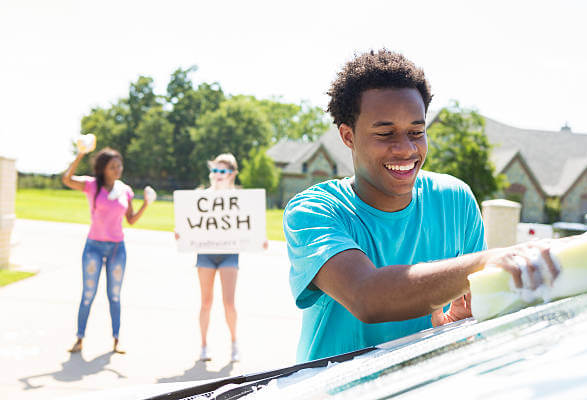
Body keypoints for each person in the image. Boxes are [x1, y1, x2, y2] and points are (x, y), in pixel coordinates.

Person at [283, 49, 560, 362]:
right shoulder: (313, 211)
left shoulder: (455, 199)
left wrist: (459, 331)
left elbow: (477, 313)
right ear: (348, 135)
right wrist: (490, 260)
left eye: (417, 132)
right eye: (385, 133)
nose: (405, 149)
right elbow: (367, 297)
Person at [62, 146, 152, 354]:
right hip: (93, 247)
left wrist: (146, 204)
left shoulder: (125, 190)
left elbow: (130, 220)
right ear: (103, 169)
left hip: (116, 249)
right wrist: (81, 154)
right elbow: (67, 179)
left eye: (119, 165)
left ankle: (116, 339)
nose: (117, 169)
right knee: (88, 294)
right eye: (113, 166)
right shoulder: (91, 185)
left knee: (114, 295)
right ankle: (79, 338)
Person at [177, 153, 242, 362]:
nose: (217, 175)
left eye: (222, 171)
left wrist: (259, 240)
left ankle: (234, 343)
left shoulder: (241, 200)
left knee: (229, 303)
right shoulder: (200, 198)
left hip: (229, 255)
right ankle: (204, 346)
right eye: (214, 170)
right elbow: (187, 226)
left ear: (232, 174)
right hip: (205, 254)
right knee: (206, 301)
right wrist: (181, 234)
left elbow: (249, 228)